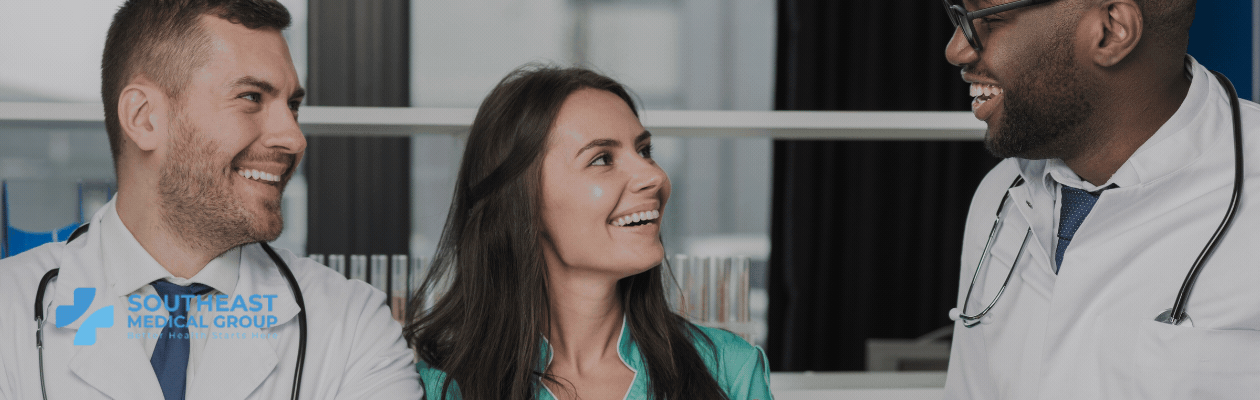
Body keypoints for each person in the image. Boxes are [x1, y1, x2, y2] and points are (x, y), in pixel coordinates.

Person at [0, 1, 423, 399]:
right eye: (251, 97)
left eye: (292, 105)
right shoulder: (9, 309)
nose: (294, 138)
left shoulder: (352, 325)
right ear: (144, 118)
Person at [941, 0, 1260, 398]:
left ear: (1110, 32)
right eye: (959, 17)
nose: (957, 49)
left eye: (989, 20)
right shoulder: (1000, 194)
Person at [404, 66, 772, 400]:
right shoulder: (443, 387)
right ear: (523, 202)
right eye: (601, 159)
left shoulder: (729, 371)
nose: (654, 176)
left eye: (644, 150)